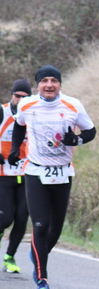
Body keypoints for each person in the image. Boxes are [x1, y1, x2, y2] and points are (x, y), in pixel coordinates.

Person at [9, 65, 96, 289]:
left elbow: (91, 131)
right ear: (38, 85)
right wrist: (17, 149)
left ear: (60, 84)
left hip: (63, 173)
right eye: (44, 81)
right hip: (36, 172)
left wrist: (75, 139)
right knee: (40, 225)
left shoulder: (73, 105)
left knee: (54, 230)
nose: (49, 85)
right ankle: (42, 279)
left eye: (54, 81)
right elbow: (19, 125)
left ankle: (37, 256)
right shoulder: (27, 105)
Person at [0, 79, 32, 273]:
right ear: (12, 95)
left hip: (27, 174)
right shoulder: (2, 112)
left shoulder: (34, 114)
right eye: (17, 96)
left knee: (22, 218)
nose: (20, 100)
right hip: (3, 174)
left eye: (25, 97)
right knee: (5, 219)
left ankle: (10, 256)